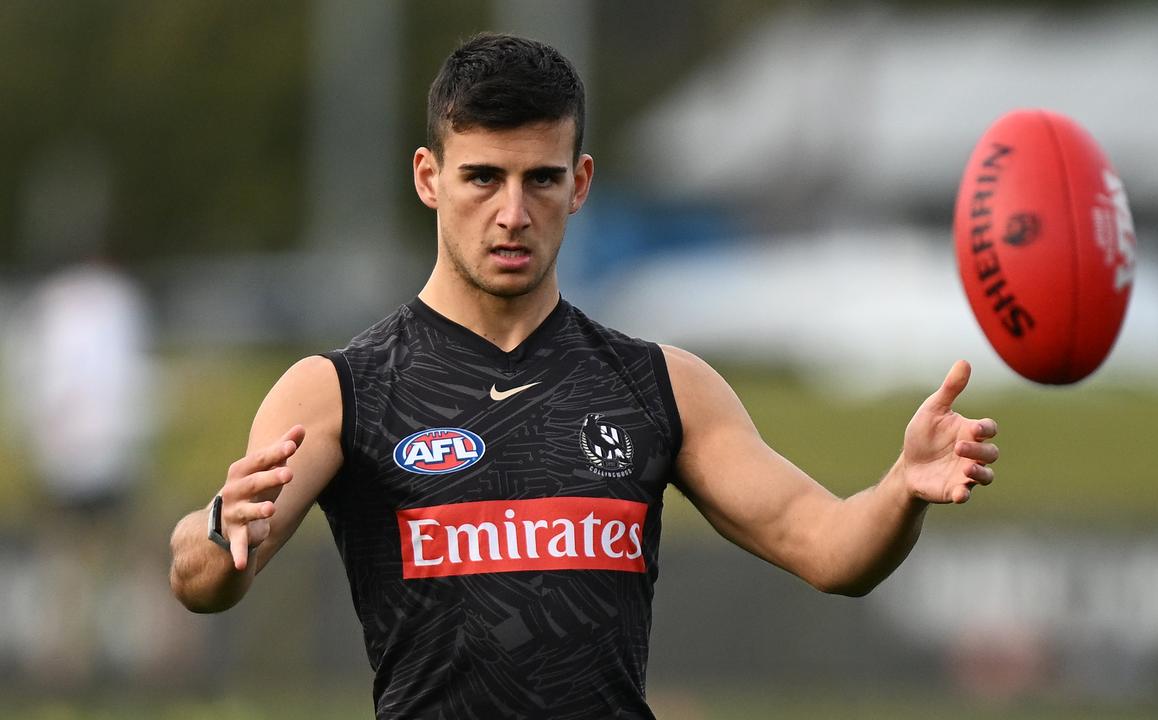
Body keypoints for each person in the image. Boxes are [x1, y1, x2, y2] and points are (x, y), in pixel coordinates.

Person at [168, 33, 999, 719]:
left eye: (541, 180)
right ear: (430, 178)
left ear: (581, 183)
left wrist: (900, 491)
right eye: (483, 178)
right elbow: (202, 581)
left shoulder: (661, 385)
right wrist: (216, 526)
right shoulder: (340, 389)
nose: (512, 213)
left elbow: (830, 550)